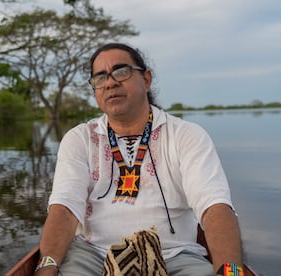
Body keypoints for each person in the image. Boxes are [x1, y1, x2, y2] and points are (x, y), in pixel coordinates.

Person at [34, 42, 243, 276]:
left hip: (174, 256)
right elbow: (64, 208)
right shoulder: (80, 138)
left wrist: (232, 272)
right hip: (92, 256)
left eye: (121, 71)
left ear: (146, 79)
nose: (110, 82)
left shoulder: (186, 135)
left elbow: (214, 207)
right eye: (100, 77)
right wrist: (47, 266)